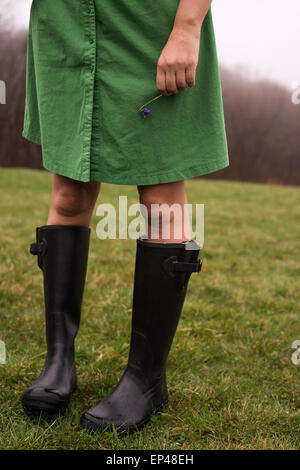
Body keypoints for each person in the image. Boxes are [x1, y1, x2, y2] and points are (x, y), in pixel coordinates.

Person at [21, 0, 229, 433]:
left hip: (151, 25)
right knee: (69, 192)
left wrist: (188, 25)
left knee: (160, 197)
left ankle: (146, 380)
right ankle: (59, 361)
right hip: (65, 25)